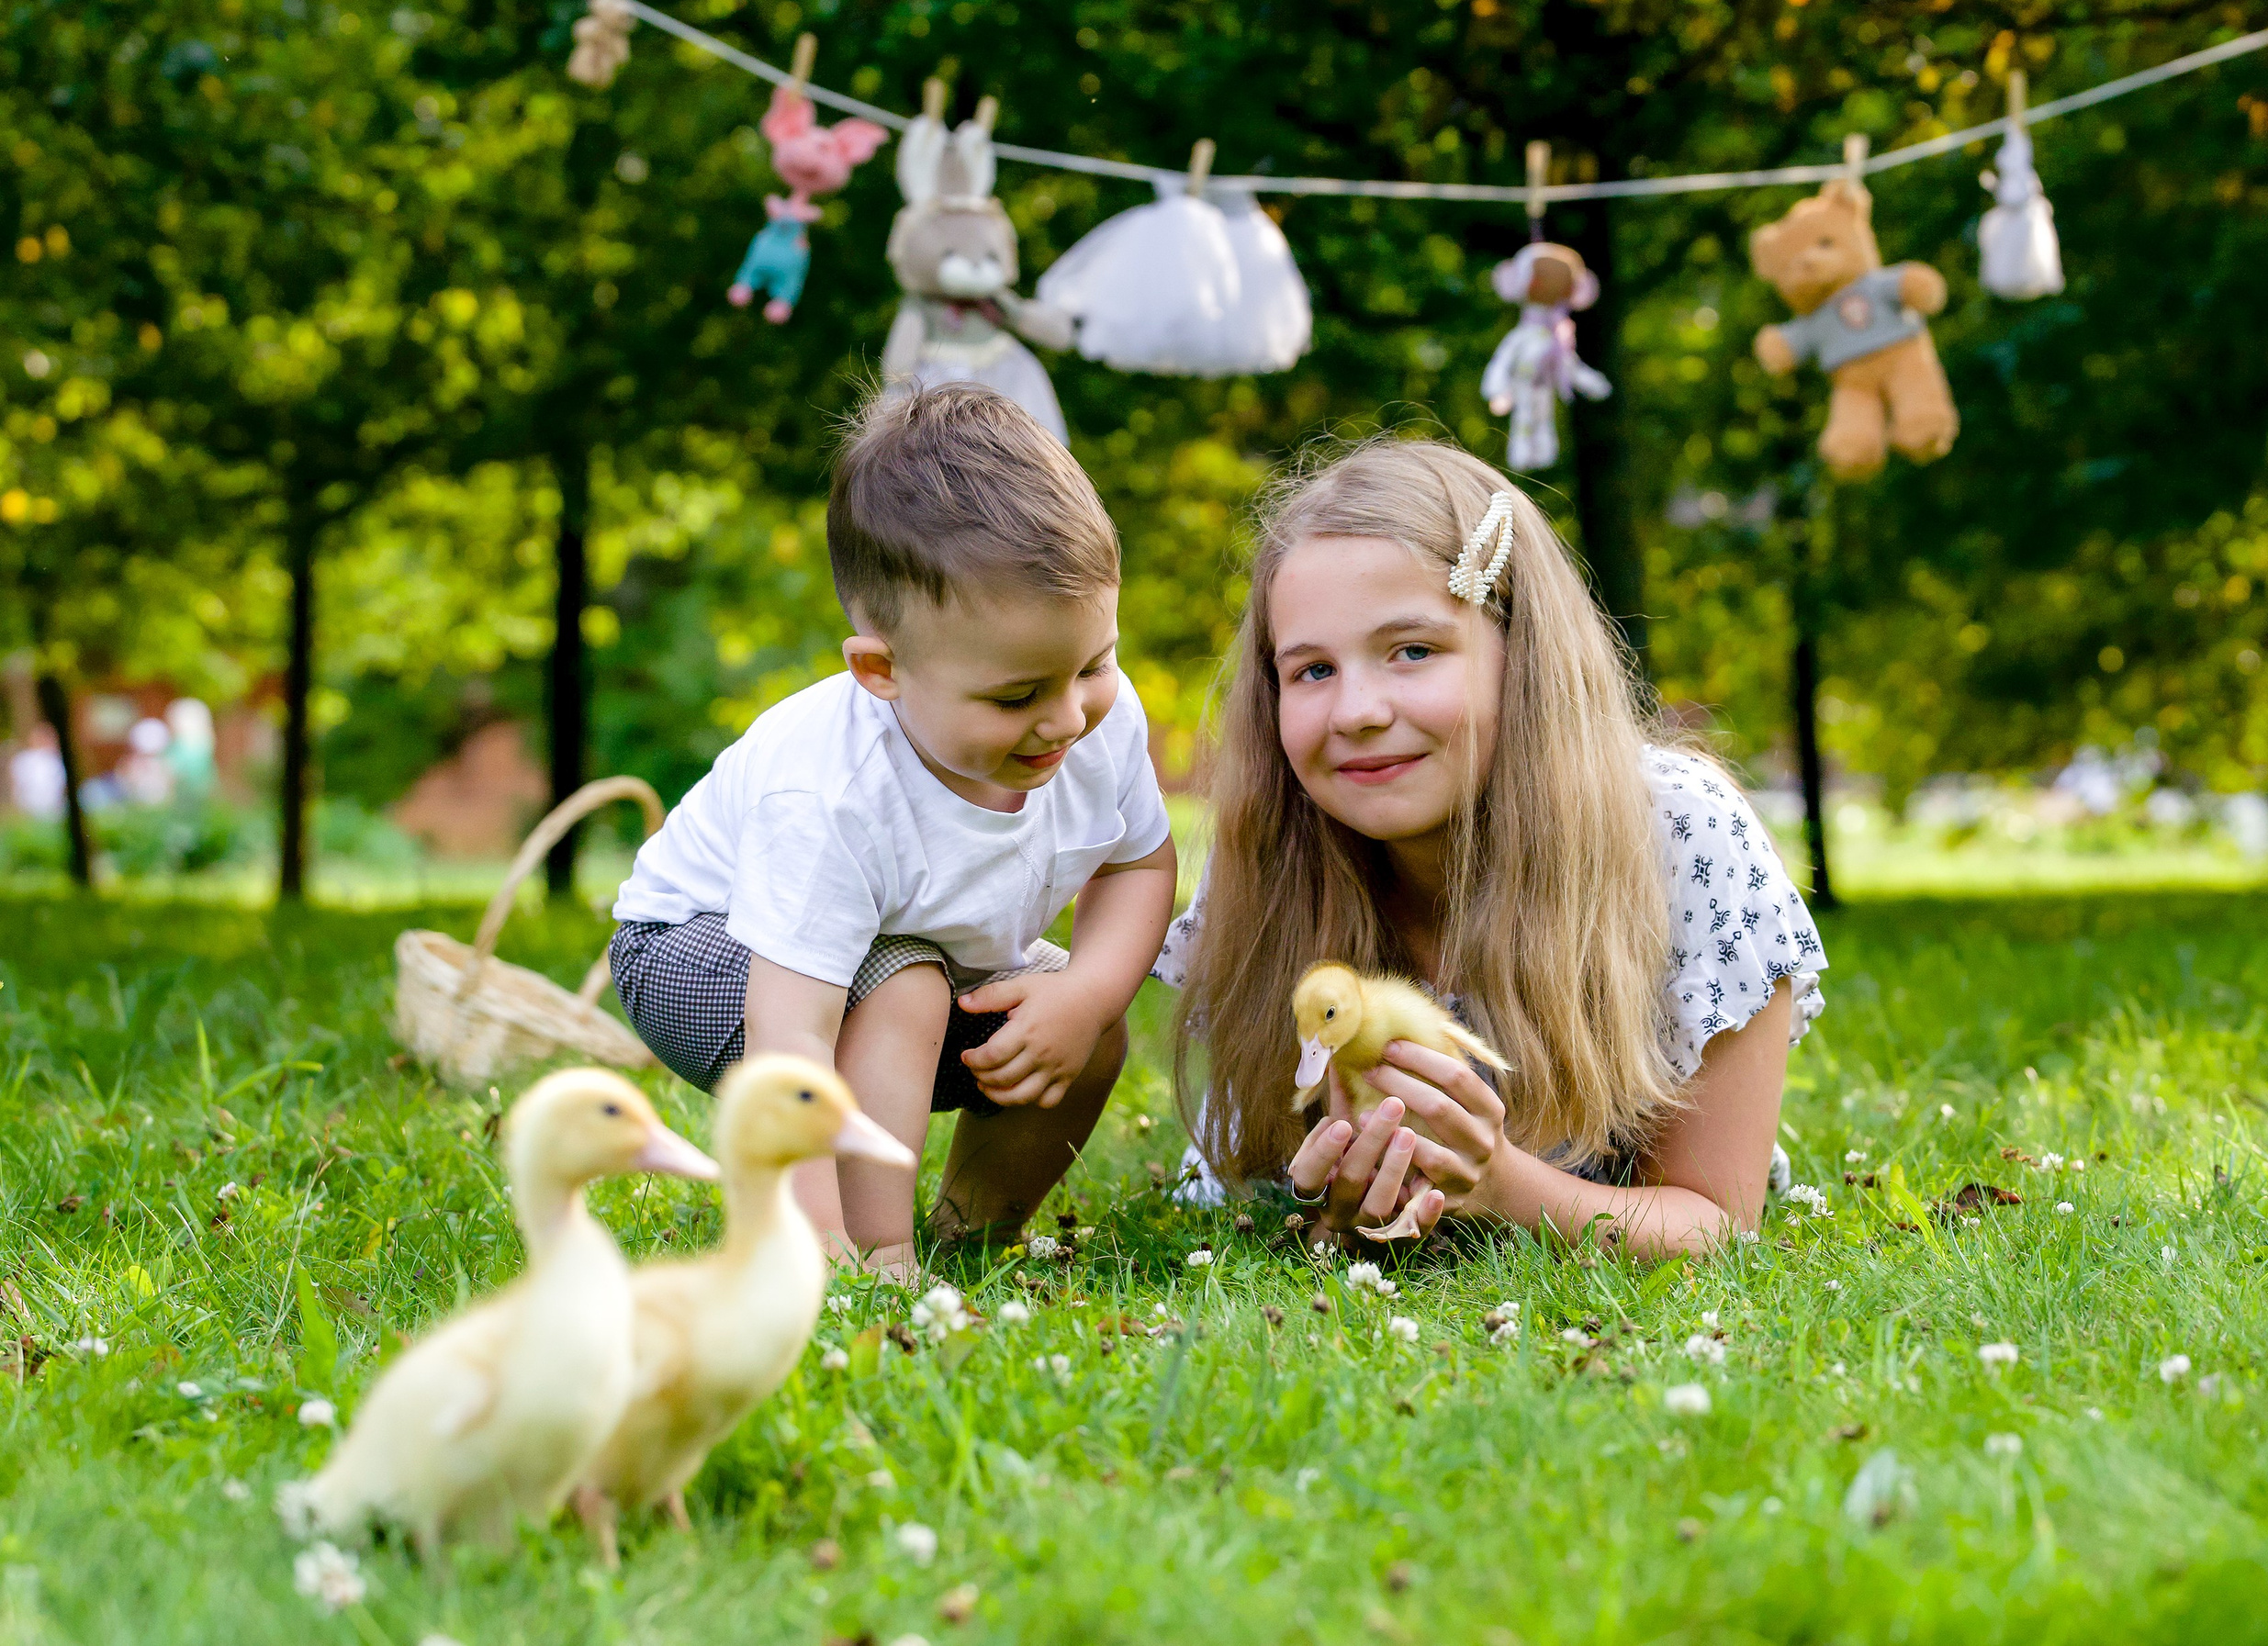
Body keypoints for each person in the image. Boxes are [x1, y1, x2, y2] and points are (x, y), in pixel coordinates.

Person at [1154, 438, 1825, 1258]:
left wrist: (1500, 1185)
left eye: (1413, 650)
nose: (1357, 711)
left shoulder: (1679, 833)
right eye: (1313, 670)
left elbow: (1717, 1223)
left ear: (1523, 655)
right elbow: (1250, 1188)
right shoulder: (1274, 842)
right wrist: (1326, 1211)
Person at [610, 384, 1177, 1279]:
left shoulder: (1095, 723)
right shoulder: (829, 792)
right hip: (703, 956)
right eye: (1016, 696)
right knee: (903, 982)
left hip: (904, 962)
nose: (1069, 717)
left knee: (1084, 1018)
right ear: (882, 670)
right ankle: (865, 1258)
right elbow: (789, 1039)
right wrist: (813, 1234)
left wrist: (1089, 993)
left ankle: (974, 1232)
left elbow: (1138, 865)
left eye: (1093, 665)